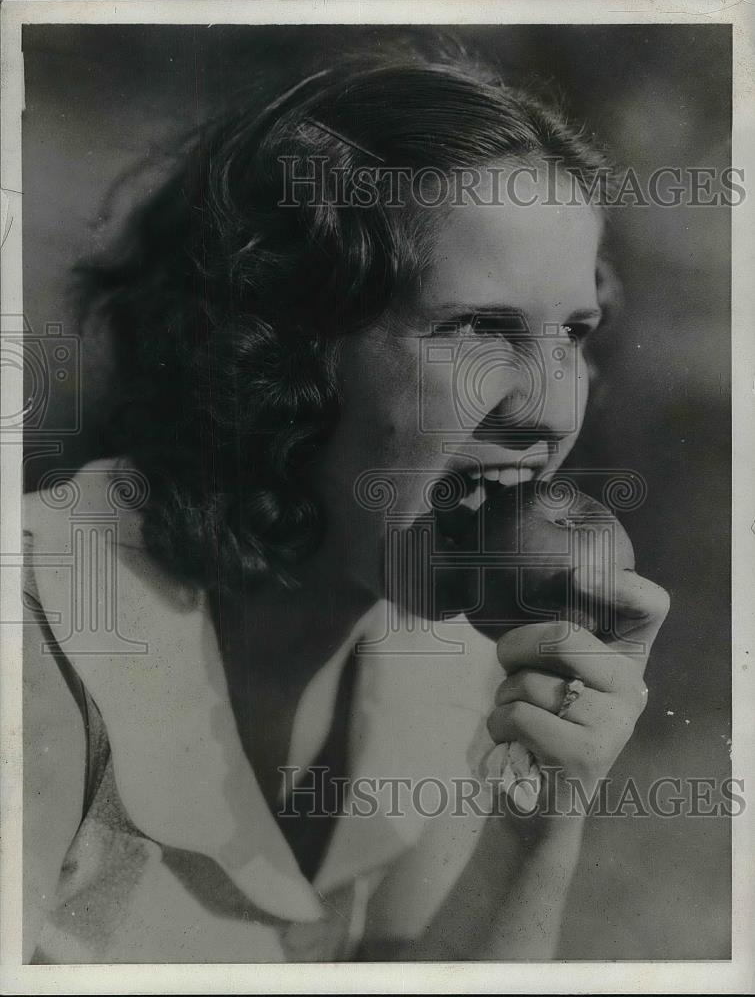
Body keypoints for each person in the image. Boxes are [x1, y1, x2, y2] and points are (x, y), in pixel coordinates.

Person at [22, 47, 670, 963]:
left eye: (571, 331)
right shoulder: (42, 636)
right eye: (478, 327)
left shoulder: (449, 659)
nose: (550, 410)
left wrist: (539, 821)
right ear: (287, 348)